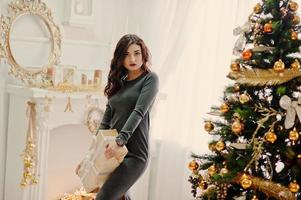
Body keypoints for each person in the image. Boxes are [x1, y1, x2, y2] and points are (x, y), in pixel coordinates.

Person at [96, 34, 159, 200]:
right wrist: (91, 156)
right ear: (120, 58)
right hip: (115, 153)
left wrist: (119, 141)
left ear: (143, 54)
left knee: (104, 197)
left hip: (135, 154)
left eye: (137, 53)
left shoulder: (150, 79)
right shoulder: (118, 84)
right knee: (120, 197)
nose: (132, 58)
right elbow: (105, 123)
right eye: (126, 54)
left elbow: (139, 111)